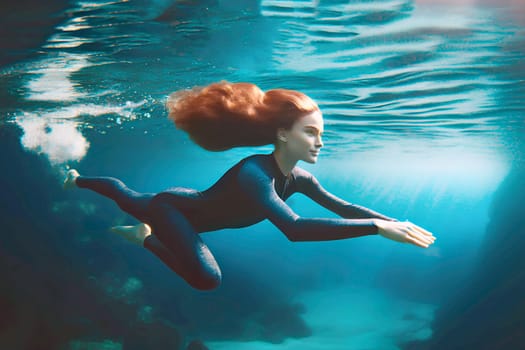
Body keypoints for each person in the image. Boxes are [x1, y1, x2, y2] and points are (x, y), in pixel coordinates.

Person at [64, 81, 435, 291]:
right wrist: (376, 228)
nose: (320, 142)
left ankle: (113, 208)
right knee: (203, 274)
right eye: (310, 132)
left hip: (188, 214)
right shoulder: (254, 174)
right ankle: (87, 188)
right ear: (282, 134)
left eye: (322, 133)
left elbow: (344, 209)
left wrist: (394, 222)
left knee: (130, 198)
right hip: (173, 209)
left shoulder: (300, 179)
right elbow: (294, 229)